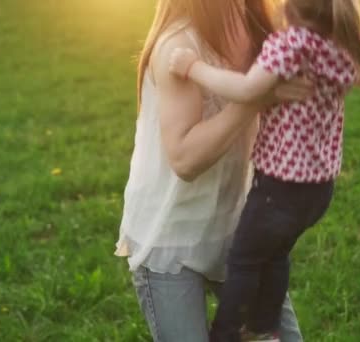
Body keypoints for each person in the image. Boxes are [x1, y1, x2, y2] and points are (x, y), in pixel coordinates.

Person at [168, 0, 360, 340]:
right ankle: (264, 327)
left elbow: (248, 89)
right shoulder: (348, 40)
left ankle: (226, 332)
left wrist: (193, 67)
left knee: (244, 261)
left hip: (279, 188)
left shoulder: (291, 44)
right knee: (276, 253)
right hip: (319, 189)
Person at [115, 0, 314, 341]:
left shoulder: (261, 24)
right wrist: (257, 97)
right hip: (171, 237)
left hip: (241, 229)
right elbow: (184, 159)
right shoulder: (179, 44)